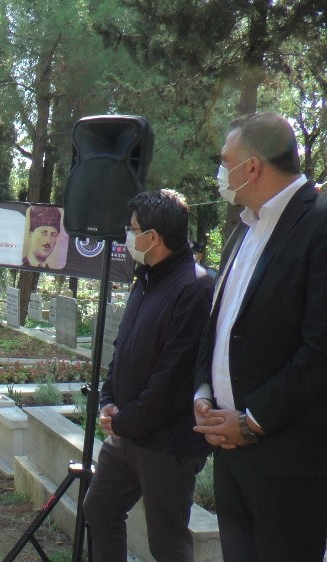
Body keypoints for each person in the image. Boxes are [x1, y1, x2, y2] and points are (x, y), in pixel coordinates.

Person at [194, 113, 327, 561]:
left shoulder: (320, 222)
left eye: (224, 161)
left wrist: (252, 422)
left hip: (288, 465)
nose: (219, 172)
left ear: (251, 167)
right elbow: (219, 323)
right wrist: (204, 391)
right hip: (230, 454)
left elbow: (320, 351)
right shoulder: (244, 228)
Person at [82, 190, 214, 561]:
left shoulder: (195, 287)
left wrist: (124, 421)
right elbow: (123, 347)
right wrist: (109, 400)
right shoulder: (146, 278)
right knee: (99, 509)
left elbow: (173, 378)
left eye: (132, 229)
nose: (127, 236)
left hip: (167, 444)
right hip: (127, 431)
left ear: (153, 237)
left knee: (166, 545)